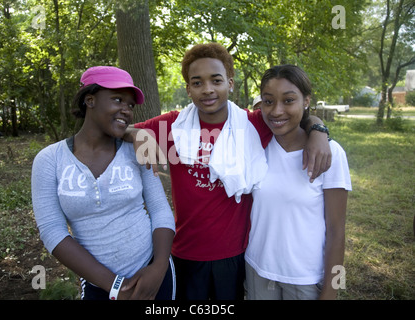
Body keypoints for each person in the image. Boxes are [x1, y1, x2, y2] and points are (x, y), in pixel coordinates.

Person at [127, 43, 332, 300]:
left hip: (234, 253)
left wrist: (318, 130)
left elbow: (298, 116)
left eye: (216, 80)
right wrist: (135, 133)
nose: (208, 89)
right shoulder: (172, 126)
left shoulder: (253, 123)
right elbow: (122, 129)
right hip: (185, 251)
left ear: (230, 83)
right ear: (188, 88)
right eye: (197, 83)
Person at [31, 66, 176, 300]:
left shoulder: (137, 150)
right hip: (100, 285)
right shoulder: (50, 160)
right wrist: (116, 287)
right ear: (90, 100)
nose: (126, 110)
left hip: (152, 273)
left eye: (130, 105)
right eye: (117, 100)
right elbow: (52, 231)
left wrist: (158, 268)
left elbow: (160, 210)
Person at [245, 64, 352, 300]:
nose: (276, 111)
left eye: (289, 100)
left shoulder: (330, 153)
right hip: (258, 271)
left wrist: (331, 292)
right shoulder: (254, 146)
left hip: (305, 279)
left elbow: (337, 230)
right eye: (269, 101)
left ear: (306, 101)